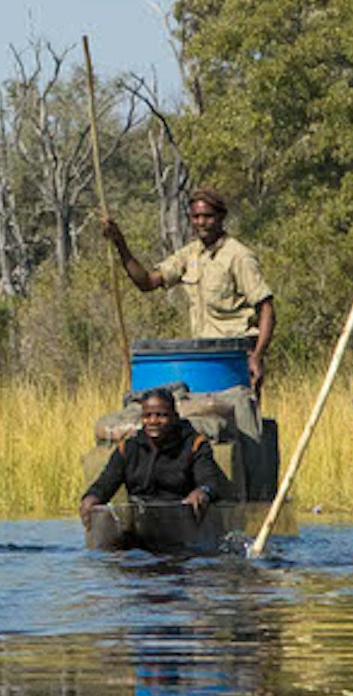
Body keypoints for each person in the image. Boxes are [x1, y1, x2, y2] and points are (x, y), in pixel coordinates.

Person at [102, 189, 275, 389]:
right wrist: (120, 243)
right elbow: (147, 282)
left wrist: (257, 356)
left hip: (235, 357)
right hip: (202, 357)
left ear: (221, 217)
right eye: (196, 217)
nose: (201, 222)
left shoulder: (239, 256)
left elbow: (267, 308)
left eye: (208, 216)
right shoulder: (190, 255)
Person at [84, 388, 229, 511]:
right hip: (140, 519)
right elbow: (105, 484)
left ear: (175, 418)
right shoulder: (128, 449)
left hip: (180, 517)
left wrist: (202, 493)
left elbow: (210, 482)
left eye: (161, 415)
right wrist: (92, 497)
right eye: (147, 416)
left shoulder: (194, 446)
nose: (153, 421)